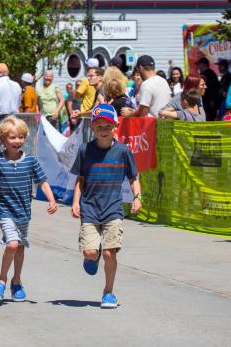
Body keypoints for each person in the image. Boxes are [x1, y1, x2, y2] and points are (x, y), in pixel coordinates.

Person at [71, 103, 142, 309]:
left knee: (111, 252)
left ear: (115, 127)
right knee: (91, 253)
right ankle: (93, 255)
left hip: (113, 208)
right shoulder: (85, 150)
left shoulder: (122, 151)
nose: (103, 130)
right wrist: (76, 202)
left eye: (107, 126)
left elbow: (134, 177)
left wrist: (137, 197)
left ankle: (108, 292)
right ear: (92, 128)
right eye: (99, 126)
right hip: (90, 208)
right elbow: (80, 179)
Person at [0, 116, 58, 302]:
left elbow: (42, 182)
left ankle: (16, 282)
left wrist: (51, 200)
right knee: (11, 243)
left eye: (20, 137)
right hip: (4, 211)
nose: (17, 141)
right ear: (2, 139)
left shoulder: (30, 162)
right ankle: (1, 280)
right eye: (12, 137)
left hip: (24, 212)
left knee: (19, 248)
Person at [195, 57, 221, 121]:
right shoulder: (204, 74)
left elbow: (213, 88)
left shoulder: (209, 74)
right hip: (205, 101)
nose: (197, 66)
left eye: (198, 64)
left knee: (208, 119)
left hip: (209, 102)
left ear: (203, 64)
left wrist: (212, 100)